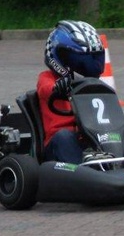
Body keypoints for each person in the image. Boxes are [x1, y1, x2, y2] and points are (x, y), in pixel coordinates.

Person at [38, 20, 105, 163]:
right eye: (79, 60)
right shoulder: (47, 78)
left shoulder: (90, 83)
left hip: (90, 136)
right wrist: (58, 87)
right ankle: (83, 173)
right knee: (65, 136)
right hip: (58, 144)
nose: (85, 66)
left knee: (123, 133)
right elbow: (45, 89)